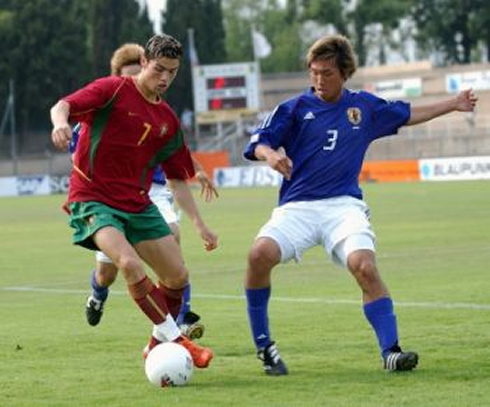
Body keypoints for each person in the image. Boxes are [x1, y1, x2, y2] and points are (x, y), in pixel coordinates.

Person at [243, 34, 478, 376]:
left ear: (345, 72)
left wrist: (453, 103)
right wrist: (271, 156)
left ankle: (391, 352)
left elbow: (408, 113)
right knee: (257, 256)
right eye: (314, 72)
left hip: (343, 206)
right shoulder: (293, 109)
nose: (319, 80)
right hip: (298, 207)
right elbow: (258, 142)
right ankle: (265, 347)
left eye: (327, 73)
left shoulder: (363, 108)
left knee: (364, 266)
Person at [50, 34, 217, 369]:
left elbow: (176, 177)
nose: (165, 78)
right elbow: (62, 106)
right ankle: (179, 339)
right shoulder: (113, 90)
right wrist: (59, 124)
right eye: (159, 69)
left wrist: (200, 223)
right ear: (143, 63)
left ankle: (155, 343)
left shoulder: (168, 121)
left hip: (137, 204)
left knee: (178, 277)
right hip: (93, 198)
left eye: (172, 71)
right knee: (127, 264)